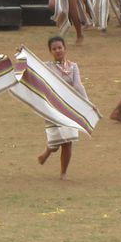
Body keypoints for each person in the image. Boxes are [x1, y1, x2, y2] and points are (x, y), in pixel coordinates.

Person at [36, 36, 88, 179]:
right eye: (54, 49)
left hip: (69, 110)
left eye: (60, 47)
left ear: (65, 48)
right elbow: (31, 67)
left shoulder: (73, 67)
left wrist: (87, 103)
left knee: (68, 141)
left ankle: (63, 173)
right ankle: (47, 152)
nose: (58, 50)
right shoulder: (47, 67)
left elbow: (78, 85)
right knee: (55, 142)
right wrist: (23, 53)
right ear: (50, 51)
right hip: (52, 110)